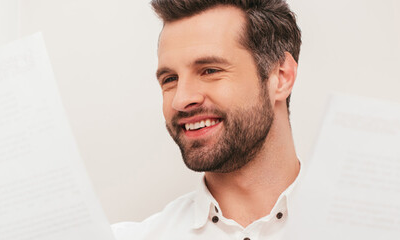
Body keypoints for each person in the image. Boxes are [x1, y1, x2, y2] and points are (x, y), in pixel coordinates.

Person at [112, 0, 302, 239]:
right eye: (170, 79)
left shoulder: (358, 227)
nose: (180, 100)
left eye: (210, 71)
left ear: (281, 77)